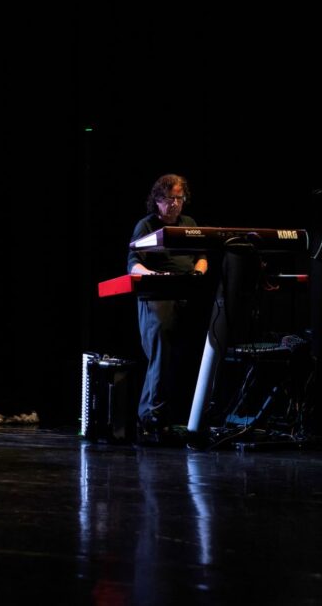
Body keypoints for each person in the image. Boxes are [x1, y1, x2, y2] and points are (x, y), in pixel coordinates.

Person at [128, 174, 208, 444]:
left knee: (185, 356)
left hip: (187, 294)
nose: (175, 204)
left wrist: (198, 272)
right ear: (158, 200)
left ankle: (179, 418)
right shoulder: (146, 225)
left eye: (179, 198)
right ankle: (151, 416)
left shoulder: (189, 224)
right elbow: (133, 263)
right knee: (160, 354)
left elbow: (202, 257)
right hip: (157, 295)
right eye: (170, 198)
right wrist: (153, 276)